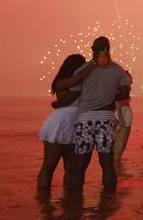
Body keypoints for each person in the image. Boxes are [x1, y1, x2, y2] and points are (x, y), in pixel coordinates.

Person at [68, 37, 131, 190]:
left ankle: (75, 205)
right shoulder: (118, 70)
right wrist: (110, 97)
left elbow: (74, 94)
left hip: (85, 118)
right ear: (109, 48)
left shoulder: (82, 70)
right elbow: (124, 94)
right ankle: (108, 204)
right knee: (107, 164)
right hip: (106, 118)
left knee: (80, 166)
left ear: (92, 49)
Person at [37, 54, 96, 189]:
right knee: (49, 166)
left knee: (71, 167)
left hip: (77, 122)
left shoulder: (82, 82)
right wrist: (93, 64)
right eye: (83, 64)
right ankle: (43, 201)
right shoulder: (62, 82)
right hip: (61, 122)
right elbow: (77, 79)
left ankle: (68, 201)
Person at [114, 71, 134, 162]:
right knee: (122, 141)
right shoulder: (123, 88)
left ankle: (116, 162)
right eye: (129, 76)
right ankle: (117, 163)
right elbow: (117, 102)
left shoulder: (123, 88)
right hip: (122, 114)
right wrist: (121, 118)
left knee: (118, 140)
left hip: (120, 113)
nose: (131, 78)